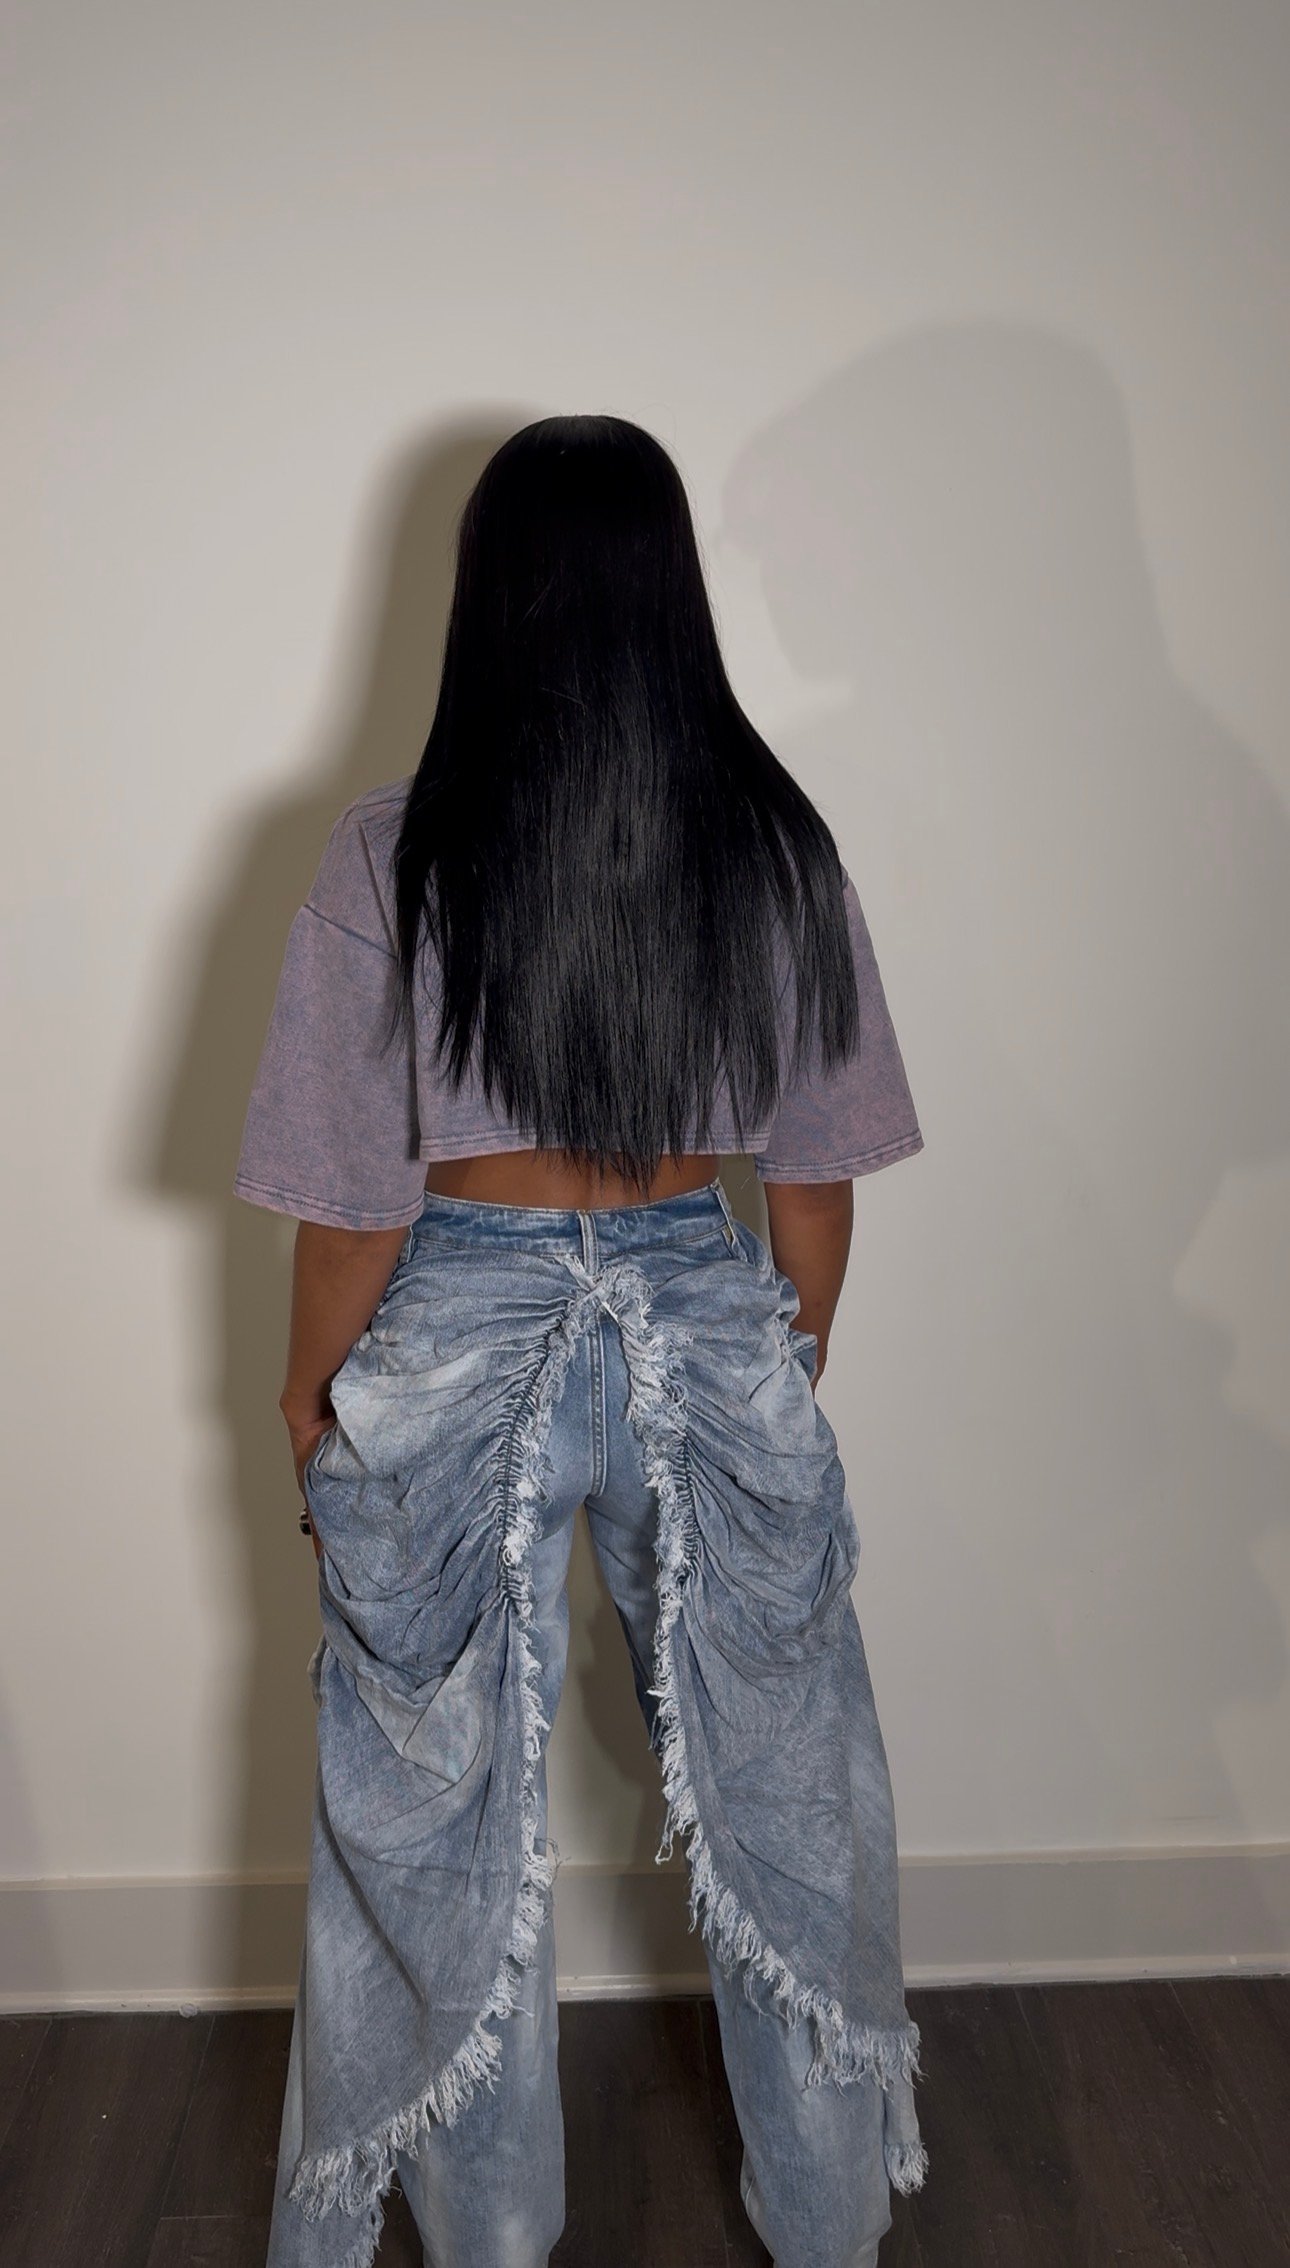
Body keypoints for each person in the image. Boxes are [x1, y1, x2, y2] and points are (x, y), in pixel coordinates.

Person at [234, 413, 929, 2268]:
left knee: (436, 1814)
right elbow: (813, 1185)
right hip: (704, 1303)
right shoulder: (773, 844)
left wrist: (305, 1398)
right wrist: (779, 1356)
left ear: (487, 599)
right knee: (792, 1790)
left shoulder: (394, 853)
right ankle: (829, 2226)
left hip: (455, 1315)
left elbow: (354, 1209)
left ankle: (489, 2239)